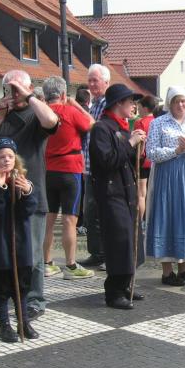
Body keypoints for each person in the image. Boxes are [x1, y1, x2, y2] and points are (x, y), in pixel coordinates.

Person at [0, 70, 59, 322]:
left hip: (30, 192)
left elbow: (52, 121)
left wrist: (29, 96)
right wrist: (0, 113)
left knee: (31, 253)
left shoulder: (36, 112)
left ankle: (34, 299)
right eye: (10, 88)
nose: (15, 93)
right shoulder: (0, 114)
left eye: (19, 88)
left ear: (29, 88)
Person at [146, 86, 185, 286]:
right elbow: (151, 152)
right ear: (169, 103)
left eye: (183, 101)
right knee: (167, 218)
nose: (180, 105)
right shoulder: (158, 123)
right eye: (175, 101)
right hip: (166, 179)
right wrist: (175, 150)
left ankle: (184, 269)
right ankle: (167, 272)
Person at [0, 137, 39, 343]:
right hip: (1, 246)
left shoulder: (24, 183)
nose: (6, 160)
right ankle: (4, 325)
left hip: (21, 244)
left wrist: (27, 192)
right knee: (1, 288)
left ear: (16, 159)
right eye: (1, 157)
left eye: (10, 156)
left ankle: (23, 322)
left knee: (21, 286)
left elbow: (28, 211)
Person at [90, 84, 146, 309]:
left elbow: (127, 160)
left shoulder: (122, 128)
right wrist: (130, 143)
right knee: (119, 240)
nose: (133, 106)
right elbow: (106, 161)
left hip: (126, 191)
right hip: (111, 192)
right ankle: (113, 291)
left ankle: (125, 285)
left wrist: (138, 149)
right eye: (130, 102)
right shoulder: (101, 129)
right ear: (118, 103)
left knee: (130, 239)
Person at [41, 76, 95, 281]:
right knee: (69, 220)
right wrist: (76, 105)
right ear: (63, 94)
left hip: (48, 169)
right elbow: (91, 123)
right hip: (70, 169)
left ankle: (46, 263)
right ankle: (71, 265)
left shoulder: (41, 113)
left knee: (48, 219)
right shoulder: (70, 111)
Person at [81, 63, 111, 270]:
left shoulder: (108, 104)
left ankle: (107, 255)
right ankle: (96, 253)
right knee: (91, 212)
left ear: (106, 82)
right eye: (89, 80)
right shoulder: (95, 104)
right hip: (89, 167)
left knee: (104, 212)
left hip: (103, 168)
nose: (91, 84)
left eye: (95, 80)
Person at [134, 95, 157, 219]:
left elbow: (138, 144)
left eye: (139, 108)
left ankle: (141, 222)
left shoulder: (140, 122)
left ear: (145, 108)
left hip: (143, 161)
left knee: (141, 194)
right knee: (152, 193)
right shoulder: (157, 121)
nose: (138, 111)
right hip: (155, 160)